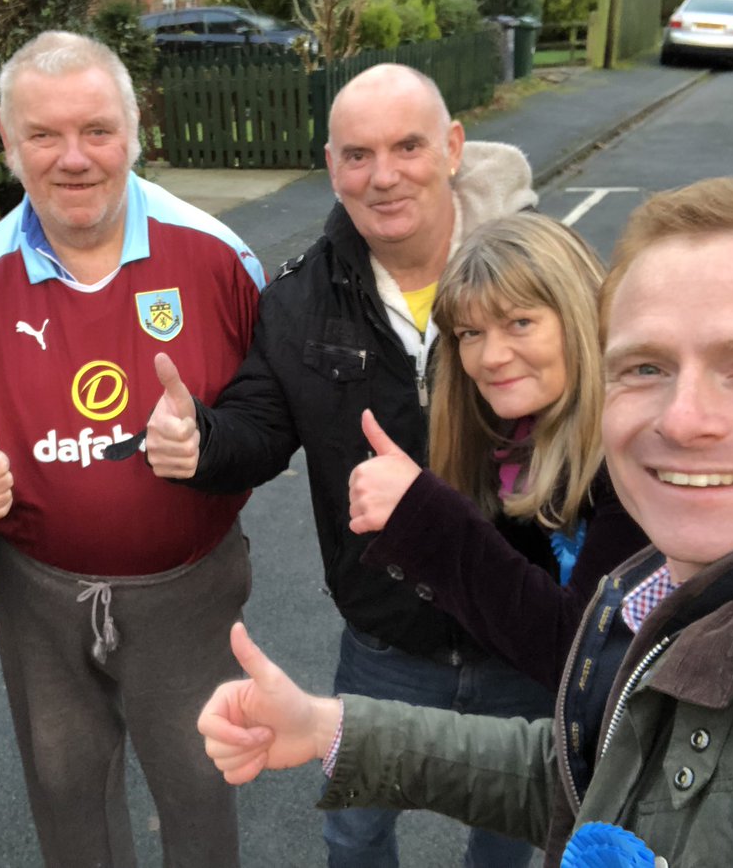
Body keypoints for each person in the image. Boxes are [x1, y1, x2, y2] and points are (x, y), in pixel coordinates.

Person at [197, 175, 733, 866]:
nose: (683, 419)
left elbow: (564, 646)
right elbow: (579, 766)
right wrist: (325, 725)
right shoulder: (533, 458)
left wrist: (423, 516)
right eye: (647, 366)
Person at [146, 62, 547, 867]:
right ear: (331, 166)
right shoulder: (298, 298)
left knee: (514, 829)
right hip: (385, 638)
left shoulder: (535, 273)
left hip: (524, 634)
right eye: (357, 155)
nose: (384, 175)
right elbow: (260, 427)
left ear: (454, 147)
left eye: (407, 146)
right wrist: (199, 443)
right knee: (356, 833)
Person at [0, 31, 265, 868]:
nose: (74, 158)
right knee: (69, 810)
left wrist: (214, 443)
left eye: (97, 130)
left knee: (201, 795)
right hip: (36, 594)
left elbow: (276, 408)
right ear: (8, 141)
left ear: (136, 132)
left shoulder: (217, 255)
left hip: (190, 588)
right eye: (44, 134)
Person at [347, 212, 647, 692]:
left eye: (520, 322)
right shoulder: (505, 434)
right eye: (470, 333)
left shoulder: (638, 455)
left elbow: (578, 654)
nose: (491, 357)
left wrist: (423, 517)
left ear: (580, 318)